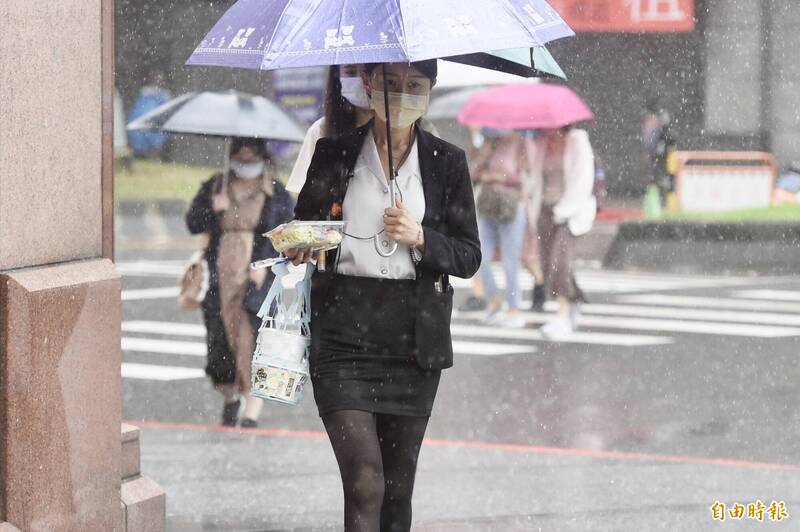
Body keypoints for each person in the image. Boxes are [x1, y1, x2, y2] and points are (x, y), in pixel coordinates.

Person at [286, 60, 480, 532]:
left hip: (413, 337)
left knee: (397, 488)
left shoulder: (447, 162)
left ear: (431, 90)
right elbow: (305, 230)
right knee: (364, 480)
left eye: (415, 85)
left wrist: (421, 238)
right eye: (391, 84)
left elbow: (469, 255)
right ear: (369, 85)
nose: (402, 94)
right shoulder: (334, 152)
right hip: (342, 334)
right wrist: (300, 245)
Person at [186, 137, 294, 427]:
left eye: (251, 156)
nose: (245, 163)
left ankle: (252, 409)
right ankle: (230, 396)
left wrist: (265, 261)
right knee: (221, 338)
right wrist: (214, 208)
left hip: (256, 279)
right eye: (240, 156)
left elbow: (286, 233)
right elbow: (193, 222)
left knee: (252, 339)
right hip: (219, 274)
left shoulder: (276, 192)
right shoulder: (215, 186)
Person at [528, 126, 596, 337]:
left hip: (571, 212)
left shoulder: (577, 141)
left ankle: (563, 315)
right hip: (545, 211)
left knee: (561, 262)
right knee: (549, 265)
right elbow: (535, 181)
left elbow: (583, 179)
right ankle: (573, 299)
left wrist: (564, 209)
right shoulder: (541, 144)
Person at [471, 128, 534, 328]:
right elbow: (476, 172)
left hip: (512, 208)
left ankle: (513, 308)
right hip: (489, 206)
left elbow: (527, 178)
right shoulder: (492, 143)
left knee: (510, 261)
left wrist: (502, 178)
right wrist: (482, 159)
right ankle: (494, 301)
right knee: (481, 256)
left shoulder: (523, 145)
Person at [286, 64, 374, 194]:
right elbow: (303, 199)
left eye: (368, 72)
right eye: (350, 72)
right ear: (337, 77)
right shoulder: (321, 130)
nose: (361, 81)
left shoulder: (403, 132)